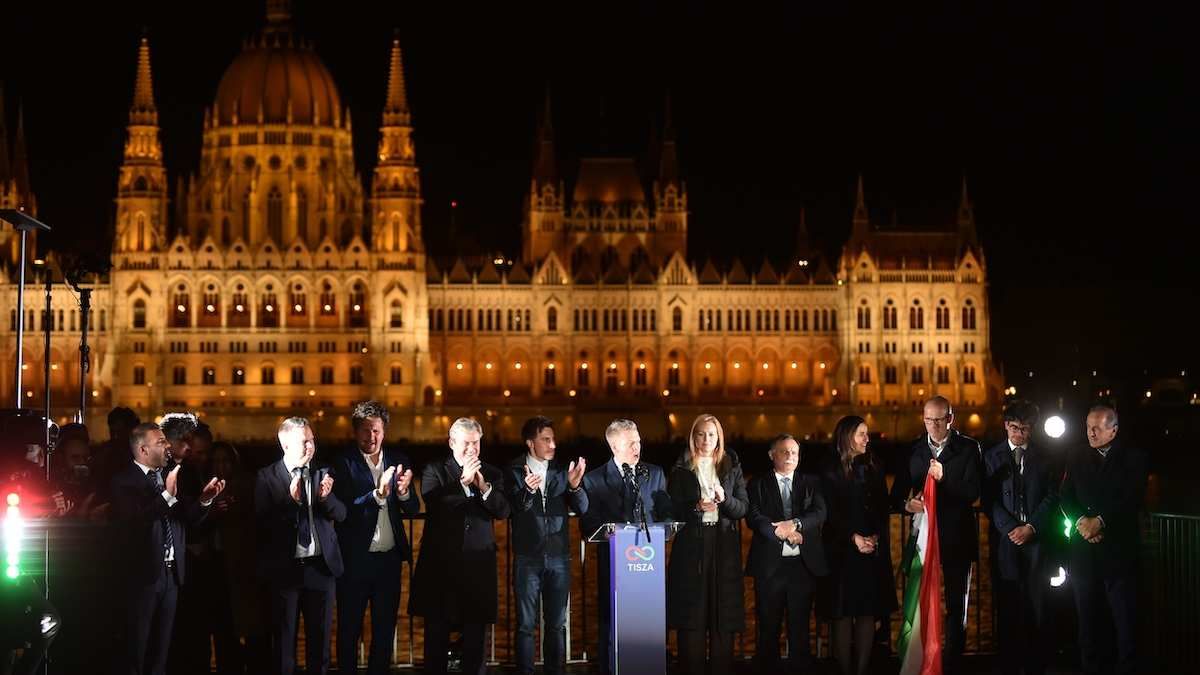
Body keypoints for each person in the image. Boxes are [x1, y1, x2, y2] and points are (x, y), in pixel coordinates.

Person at [110, 422, 225, 675]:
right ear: (142, 449)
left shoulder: (169, 477)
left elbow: (187, 517)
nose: (167, 447)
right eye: (161, 442)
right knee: (137, 651)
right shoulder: (123, 483)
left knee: (162, 652)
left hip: (171, 575)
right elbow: (134, 523)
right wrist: (166, 497)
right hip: (142, 578)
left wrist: (204, 499)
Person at [409, 417, 510, 675]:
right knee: (436, 642)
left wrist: (483, 487)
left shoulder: (493, 473)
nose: (471, 449)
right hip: (440, 570)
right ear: (452, 442)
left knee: (476, 645)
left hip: (478, 570)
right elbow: (434, 503)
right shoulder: (434, 470)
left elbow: (502, 510)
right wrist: (463, 483)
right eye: (466, 443)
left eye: (476, 443)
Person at [890, 395, 981, 672]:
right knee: (920, 601)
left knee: (956, 606)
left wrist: (945, 479)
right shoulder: (913, 449)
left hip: (956, 537)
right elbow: (896, 496)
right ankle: (920, 661)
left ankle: (952, 664)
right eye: (928, 420)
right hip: (923, 538)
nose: (932, 426)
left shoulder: (969, 448)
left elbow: (973, 492)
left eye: (938, 420)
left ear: (950, 419)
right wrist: (907, 505)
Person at [331, 401, 419, 675]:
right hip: (355, 560)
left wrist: (403, 492)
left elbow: (413, 508)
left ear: (385, 431)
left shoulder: (398, 460)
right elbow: (343, 510)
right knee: (348, 629)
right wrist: (377, 495)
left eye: (377, 431)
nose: (372, 437)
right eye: (366, 431)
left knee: (384, 632)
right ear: (355, 432)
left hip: (389, 562)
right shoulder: (342, 463)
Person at [1059, 405, 1147, 675]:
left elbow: (1131, 497)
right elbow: (1065, 495)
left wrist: (1100, 522)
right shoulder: (1075, 455)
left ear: (1114, 430)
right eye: (1087, 427)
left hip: (1119, 553)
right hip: (1084, 552)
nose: (1091, 432)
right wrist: (1081, 522)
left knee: (1125, 621)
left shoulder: (1134, 457)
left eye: (1097, 427)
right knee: (1086, 621)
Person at [580, 418, 672, 674]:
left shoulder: (654, 474)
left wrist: (668, 524)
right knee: (612, 627)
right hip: (615, 570)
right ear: (614, 447)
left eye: (639, 442)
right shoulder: (594, 480)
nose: (637, 447)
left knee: (649, 626)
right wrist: (612, 534)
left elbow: (665, 514)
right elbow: (589, 526)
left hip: (648, 569)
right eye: (631, 443)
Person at [254, 417, 346, 675]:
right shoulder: (266, 477)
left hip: (321, 569)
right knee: (284, 646)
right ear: (285, 445)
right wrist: (290, 502)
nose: (310, 446)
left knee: (320, 647)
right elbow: (262, 525)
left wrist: (326, 499)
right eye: (304, 441)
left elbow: (341, 515)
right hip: (285, 571)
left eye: (312, 440)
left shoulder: (323, 472)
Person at [666, 414, 748, 675]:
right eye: (701, 434)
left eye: (711, 434)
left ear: (719, 438)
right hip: (691, 547)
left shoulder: (731, 466)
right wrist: (695, 507)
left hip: (723, 548)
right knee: (692, 614)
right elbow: (671, 509)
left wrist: (725, 500)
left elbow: (742, 508)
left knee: (722, 612)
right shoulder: (681, 468)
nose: (706, 440)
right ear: (693, 437)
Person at [505, 416, 588, 675]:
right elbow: (512, 508)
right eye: (546, 439)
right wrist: (527, 492)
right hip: (527, 558)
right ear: (531, 443)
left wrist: (574, 487)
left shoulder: (562, 471)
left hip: (559, 558)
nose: (553, 444)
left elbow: (582, 507)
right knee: (526, 625)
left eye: (553, 439)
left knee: (556, 625)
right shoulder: (514, 471)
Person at [983, 400, 1060, 675]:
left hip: (1037, 543)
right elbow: (988, 499)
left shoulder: (1047, 456)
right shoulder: (991, 457)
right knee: (1007, 606)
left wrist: (1032, 528)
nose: (1018, 434)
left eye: (1024, 429)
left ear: (1033, 429)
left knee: (1039, 605)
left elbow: (1052, 495)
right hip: (1006, 543)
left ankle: (1037, 662)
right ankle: (1009, 662)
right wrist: (1010, 528)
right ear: (1005, 425)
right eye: (1014, 427)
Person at [746, 433, 828, 674]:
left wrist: (795, 525)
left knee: (800, 627)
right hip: (770, 567)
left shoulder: (812, 482)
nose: (791, 456)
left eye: (794, 452)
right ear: (772, 455)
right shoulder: (757, 484)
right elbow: (754, 518)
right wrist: (782, 532)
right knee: (768, 628)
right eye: (785, 451)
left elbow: (820, 512)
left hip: (803, 566)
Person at [821, 416, 896, 675]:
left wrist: (874, 537)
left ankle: (862, 669)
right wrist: (853, 538)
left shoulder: (875, 465)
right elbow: (829, 512)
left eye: (867, 433)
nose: (867, 438)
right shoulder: (830, 470)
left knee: (866, 612)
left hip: (869, 549)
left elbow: (882, 506)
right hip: (841, 550)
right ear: (847, 437)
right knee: (842, 614)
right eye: (861, 434)